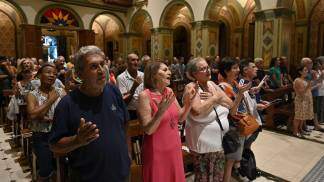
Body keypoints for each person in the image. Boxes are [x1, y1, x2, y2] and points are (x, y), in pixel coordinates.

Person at [49, 46, 130, 181]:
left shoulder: (113, 91)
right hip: (88, 177)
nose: (101, 70)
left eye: (103, 64)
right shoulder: (67, 104)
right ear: (80, 74)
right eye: (93, 66)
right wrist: (77, 140)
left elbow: (125, 124)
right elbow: (54, 146)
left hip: (121, 174)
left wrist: (127, 155)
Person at [137, 61, 196, 182]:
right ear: (153, 75)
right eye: (164, 70)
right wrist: (161, 111)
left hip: (173, 147)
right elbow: (148, 130)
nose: (169, 72)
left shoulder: (169, 91)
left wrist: (189, 102)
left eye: (168, 69)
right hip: (156, 151)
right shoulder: (145, 96)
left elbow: (180, 117)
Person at [185, 57, 233, 181]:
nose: (208, 70)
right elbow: (197, 111)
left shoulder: (212, 84)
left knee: (217, 177)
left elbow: (230, 103)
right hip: (203, 146)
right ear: (194, 74)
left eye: (208, 67)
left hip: (219, 143)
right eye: (203, 68)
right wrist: (215, 99)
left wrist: (214, 97)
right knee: (203, 177)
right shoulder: (191, 88)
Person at [26, 63, 66, 181]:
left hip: (60, 133)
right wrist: (50, 100)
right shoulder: (33, 94)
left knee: (66, 165)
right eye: (48, 72)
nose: (52, 75)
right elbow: (32, 114)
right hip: (42, 136)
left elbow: (68, 111)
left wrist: (44, 115)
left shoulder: (61, 91)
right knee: (45, 169)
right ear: (39, 75)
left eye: (54, 73)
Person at [218, 57, 251, 182]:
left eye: (238, 67)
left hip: (240, 124)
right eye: (234, 68)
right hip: (232, 126)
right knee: (230, 159)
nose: (238, 70)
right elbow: (231, 112)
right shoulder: (222, 87)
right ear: (226, 71)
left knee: (235, 157)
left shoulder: (235, 84)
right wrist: (241, 94)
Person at [117, 53, 144, 119]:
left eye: (137, 60)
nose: (136, 62)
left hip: (143, 110)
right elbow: (124, 102)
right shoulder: (121, 78)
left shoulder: (143, 75)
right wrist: (134, 86)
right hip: (130, 112)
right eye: (133, 60)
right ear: (127, 63)